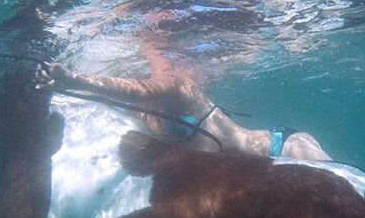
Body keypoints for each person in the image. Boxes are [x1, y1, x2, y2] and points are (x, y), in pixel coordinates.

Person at [34, 31, 332, 160]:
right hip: (242, 172)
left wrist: (73, 78)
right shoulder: (141, 109)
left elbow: (133, 89)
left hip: (282, 149)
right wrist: (63, 90)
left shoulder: (174, 85)